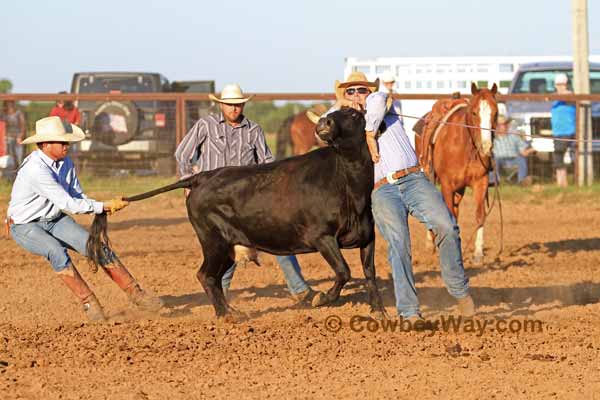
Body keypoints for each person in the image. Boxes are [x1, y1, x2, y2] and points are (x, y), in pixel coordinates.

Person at [325, 72, 474, 320]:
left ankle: (459, 289)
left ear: (369, 91)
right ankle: (409, 313)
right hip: (382, 189)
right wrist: (340, 107)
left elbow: (376, 103)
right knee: (398, 245)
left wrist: (370, 134)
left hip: (413, 178)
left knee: (446, 226)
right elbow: (322, 123)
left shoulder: (379, 100)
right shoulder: (344, 122)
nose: (356, 96)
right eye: (349, 92)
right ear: (343, 97)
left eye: (361, 90)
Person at [175, 83, 320, 305]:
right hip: (215, 200)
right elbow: (182, 154)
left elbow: (268, 164)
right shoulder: (206, 125)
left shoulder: (253, 130)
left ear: (243, 105)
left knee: (280, 236)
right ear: (221, 105)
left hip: (247, 199)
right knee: (223, 245)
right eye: (230, 105)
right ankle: (220, 294)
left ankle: (299, 289)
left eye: (238, 105)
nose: (234, 109)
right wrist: (187, 182)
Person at [5, 116, 162, 322]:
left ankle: (137, 295)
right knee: (56, 251)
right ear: (45, 144)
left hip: (53, 219)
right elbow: (68, 203)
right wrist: (103, 206)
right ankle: (90, 304)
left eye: (66, 141)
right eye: (61, 141)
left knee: (95, 246)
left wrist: (100, 205)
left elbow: (77, 196)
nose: (66, 145)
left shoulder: (65, 163)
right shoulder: (36, 169)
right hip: (25, 225)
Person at [489, 114, 535, 185]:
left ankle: (522, 181)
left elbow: (523, 152)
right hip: (498, 161)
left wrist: (532, 149)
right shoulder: (492, 138)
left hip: (513, 160)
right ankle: (494, 181)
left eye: (505, 124)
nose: (504, 126)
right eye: (500, 125)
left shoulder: (514, 136)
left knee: (521, 159)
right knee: (494, 160)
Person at [551, 73, 576, 187]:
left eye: (562, 84)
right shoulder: (554, 97)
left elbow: (568, 98)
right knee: (558, 157)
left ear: (566, 84)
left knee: (562, 156)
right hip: (558, 132)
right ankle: (561, 183)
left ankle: (565, 183)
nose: (560, 86)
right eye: (558, 84)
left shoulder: (571, 96)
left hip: (568, 131)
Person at [1, 100, 26, 166]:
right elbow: (2, 126)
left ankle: (20, 171)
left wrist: (20, 136)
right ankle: (13, 172)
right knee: (11, 157)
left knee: (19, 156)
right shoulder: (4, 114)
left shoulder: (18, 113)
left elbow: (23, 125)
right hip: (8, 137)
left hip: (18, 137)